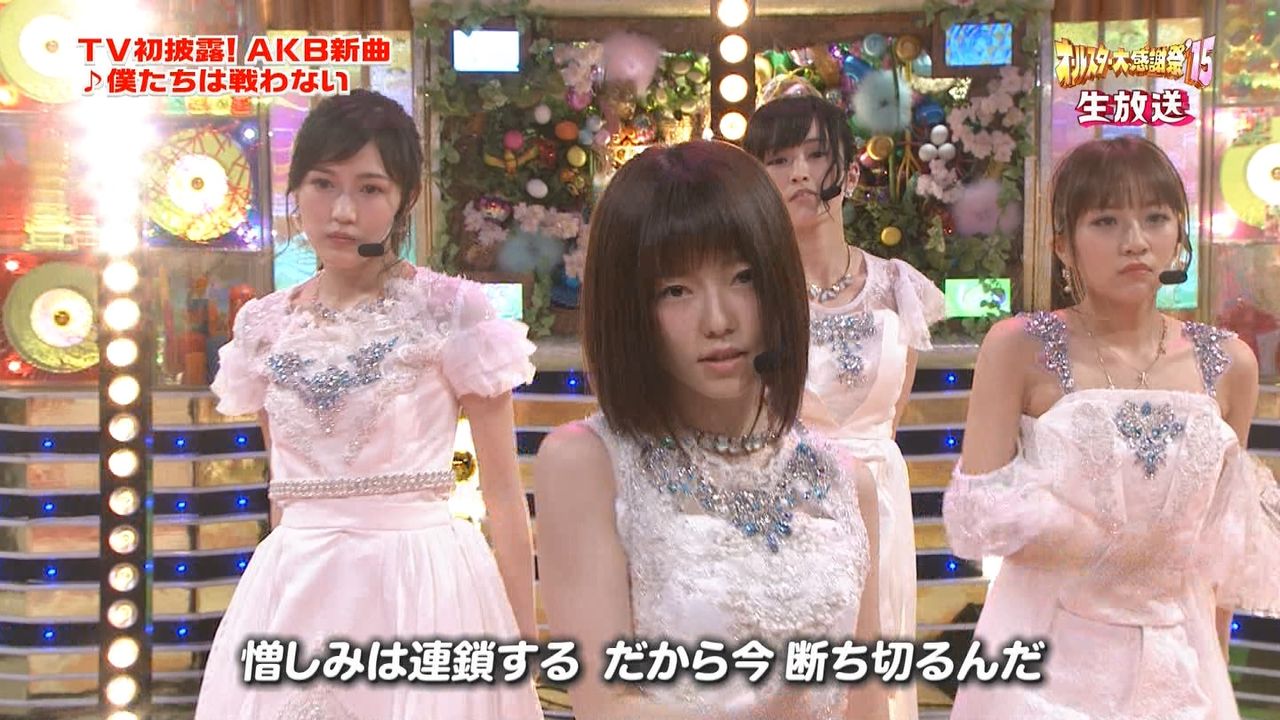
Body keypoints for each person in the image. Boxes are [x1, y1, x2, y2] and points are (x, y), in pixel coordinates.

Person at [194, 89, 543, 719]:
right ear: (296, 189)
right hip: (293, 587)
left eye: (370, 189)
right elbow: (284, 494)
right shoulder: (263, 326)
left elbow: (503, 492)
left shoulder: (451, 309)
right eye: (323, 184)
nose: (343, 211)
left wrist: (522, 642)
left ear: (405, 198)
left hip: (422, 588)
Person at [534, 140, 885, 719]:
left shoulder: (845, 480)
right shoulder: (587, 464)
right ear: (630, 307)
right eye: (676, 290)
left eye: (743, 278)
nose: (718, 321)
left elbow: (865, 698)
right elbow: (606, 702)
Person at [942, 136, 1280, 718]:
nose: (1135, 241)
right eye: (1106, 221)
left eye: (1156, 218)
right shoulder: (1018, 347)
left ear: (1179, 232)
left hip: (1180, 660)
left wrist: (1214, 658)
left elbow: (1222, 547)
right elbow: (976, 520)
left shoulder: (1230, 362)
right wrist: (1089, 537)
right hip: (1045, 658)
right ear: (1062, 244)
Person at [744, 90, 945, 720]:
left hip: (880, 496)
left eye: (814, 155)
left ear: (850, 173)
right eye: (779, 160)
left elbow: (892, 414)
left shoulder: (899, 286)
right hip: (779, 499)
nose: (799, 173)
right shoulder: (747, 292)